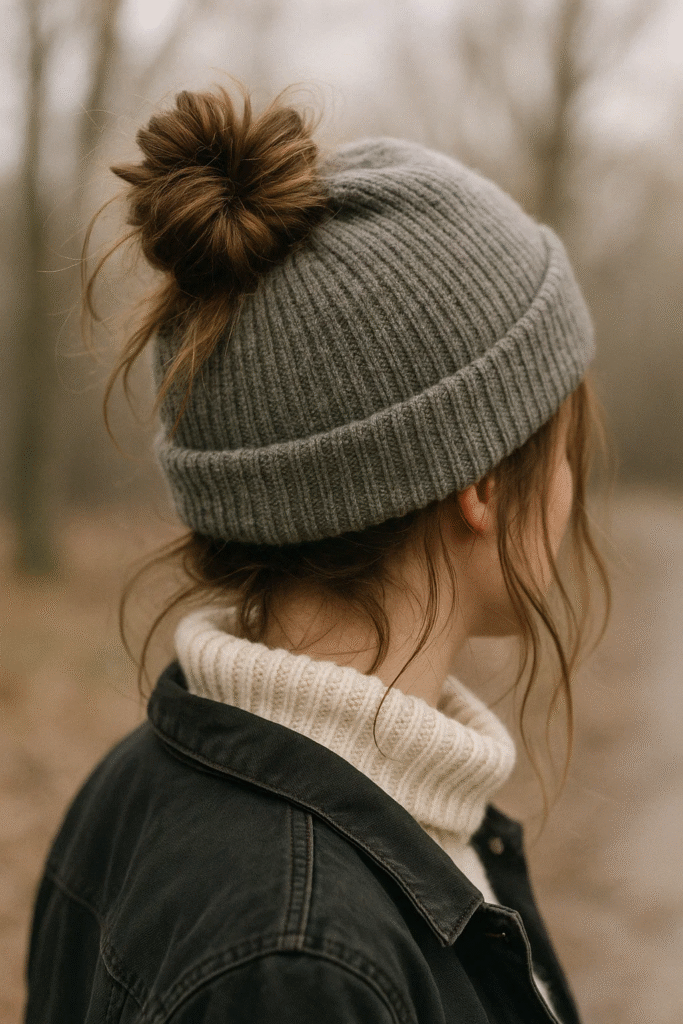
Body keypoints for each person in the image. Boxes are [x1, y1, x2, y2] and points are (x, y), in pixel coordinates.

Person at [24, 84, 609, 1023]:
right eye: (564, 444)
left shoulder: (141, 777)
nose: (577, 488)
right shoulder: (301, 969)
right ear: (483, 482)